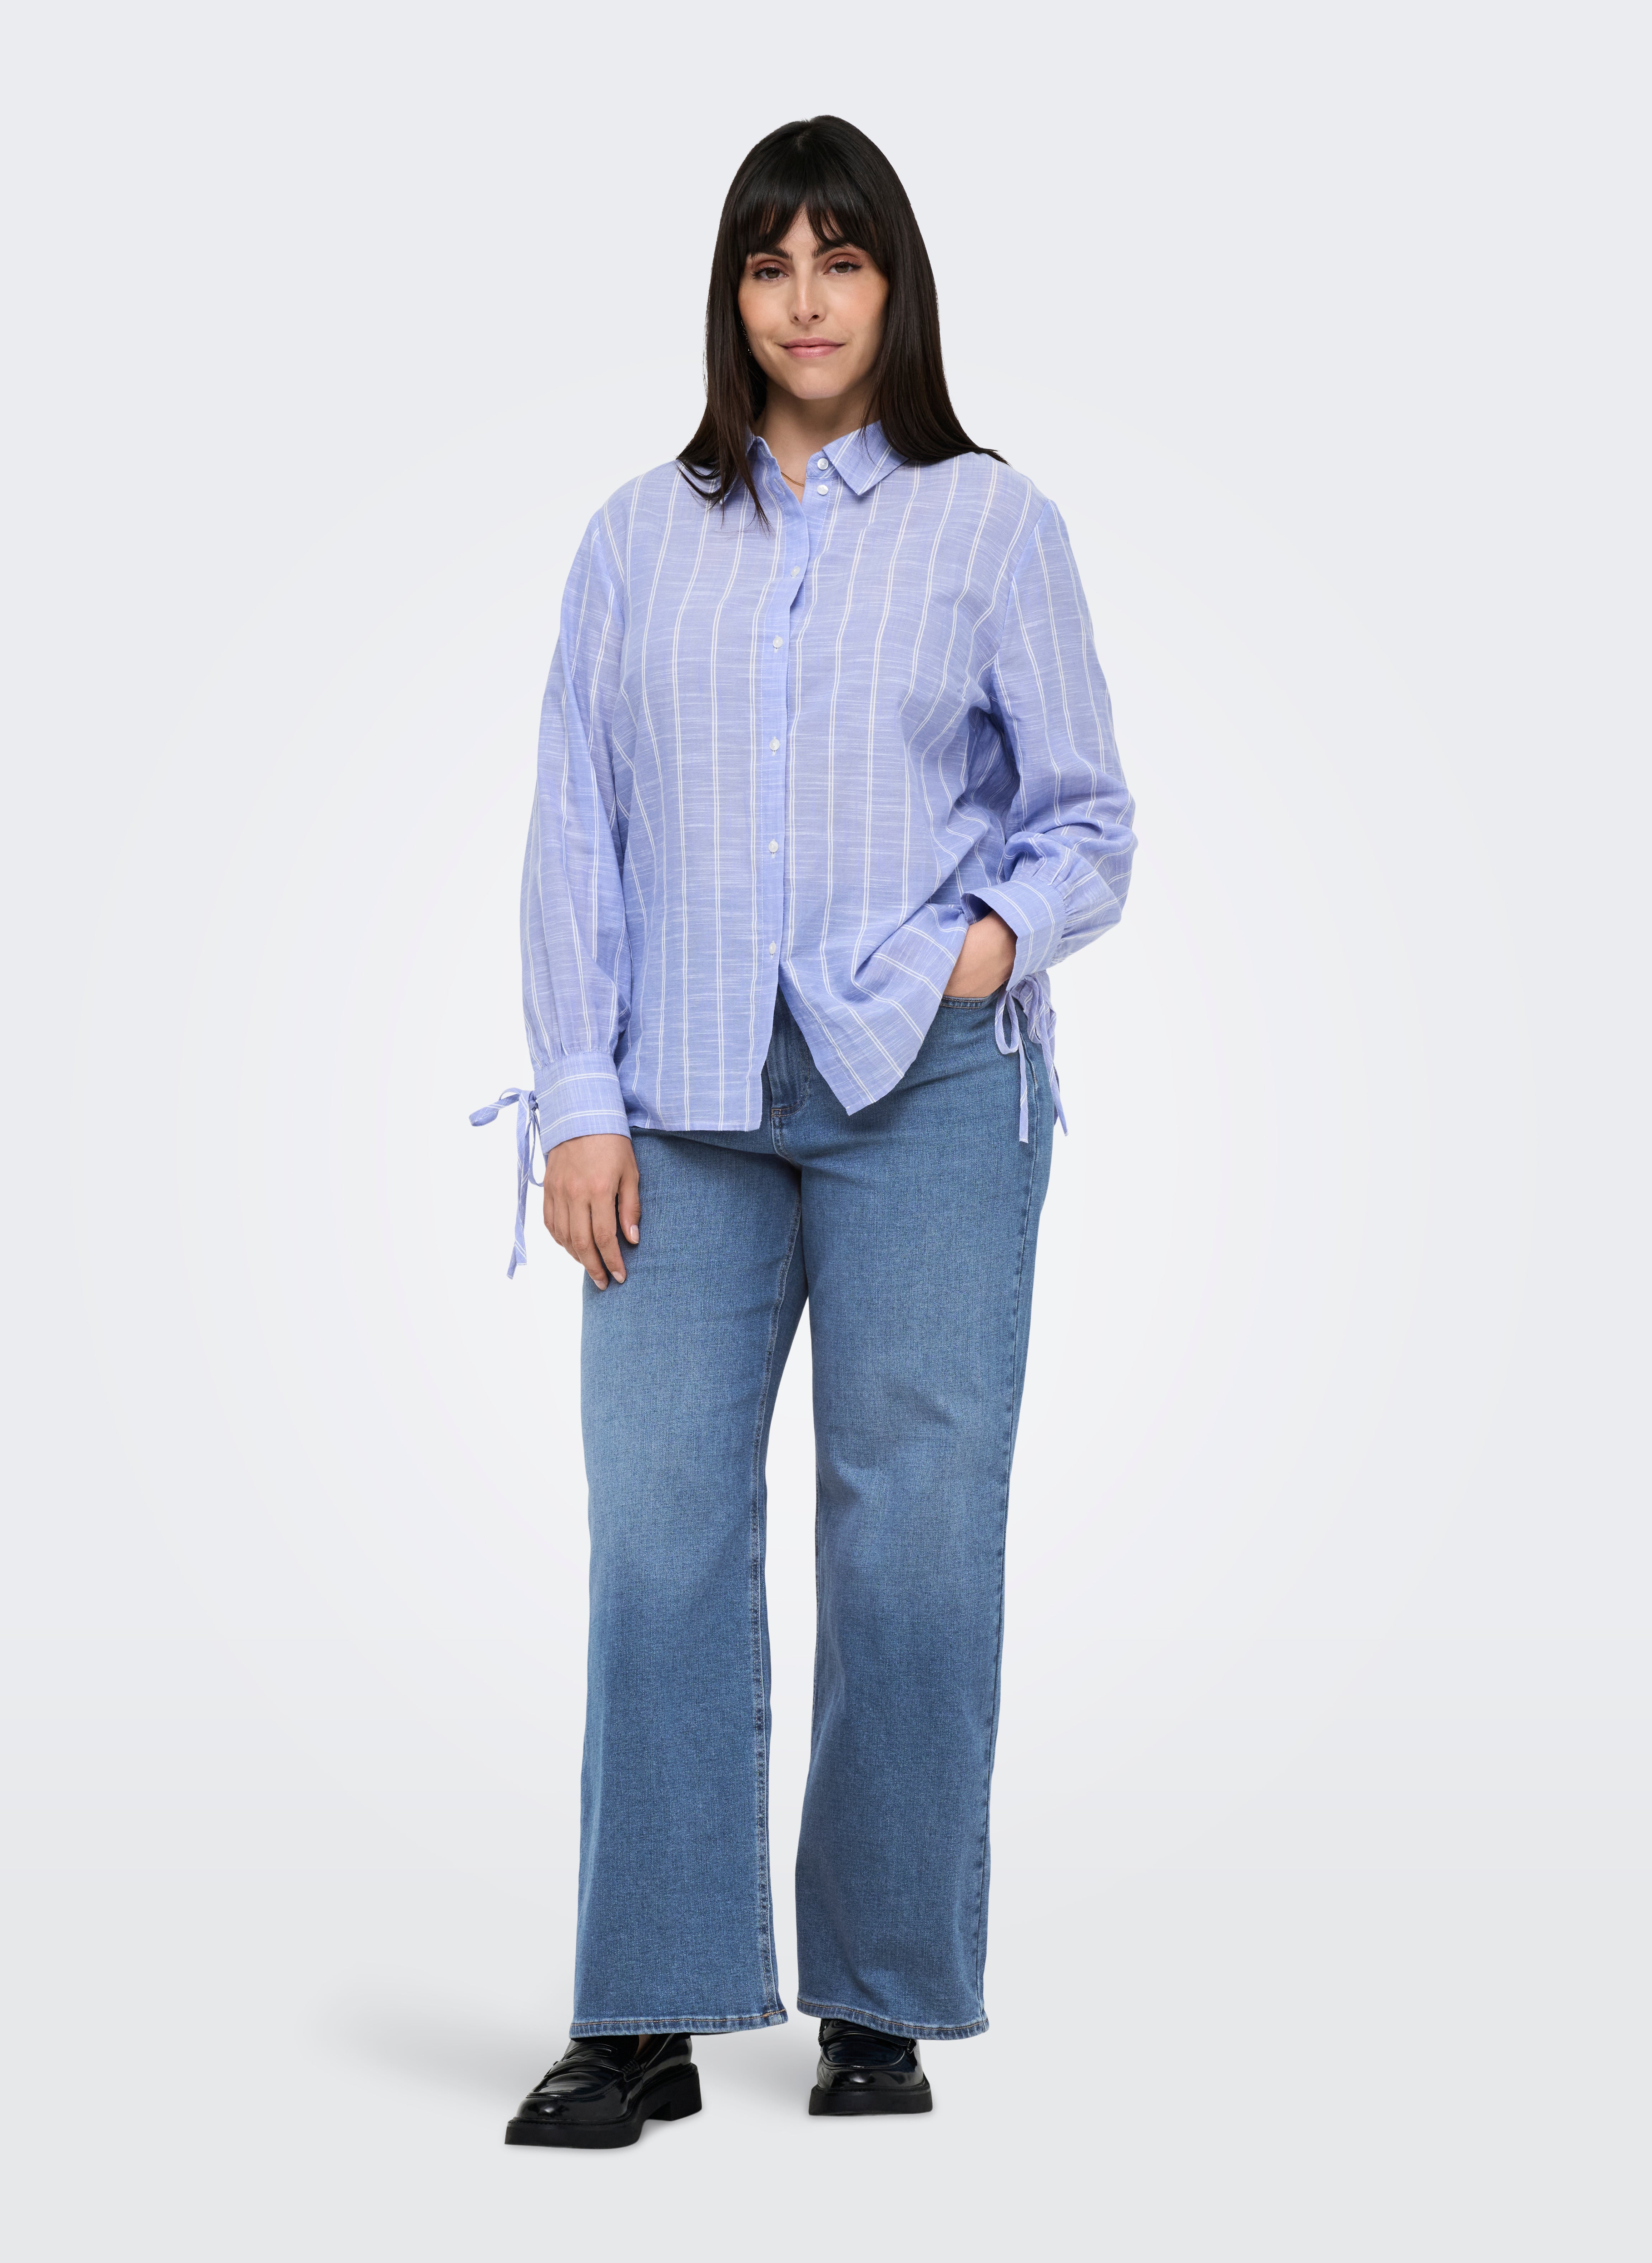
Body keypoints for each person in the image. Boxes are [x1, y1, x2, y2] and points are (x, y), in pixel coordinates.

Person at [473, 114, 1136, 2147]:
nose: (808, 300)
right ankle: (646, 2010)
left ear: (895, 287)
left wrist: (981, 949)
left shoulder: (991, 525)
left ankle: (878, 2001)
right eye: (772, 264)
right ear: (732, 295)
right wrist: (575, 1104)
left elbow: (1088, 817)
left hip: (927, 1092)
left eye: (843, 261)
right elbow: (574, 833)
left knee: (913, 1539)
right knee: (661, 1537)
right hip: (675, 1104)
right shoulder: (634, 538)